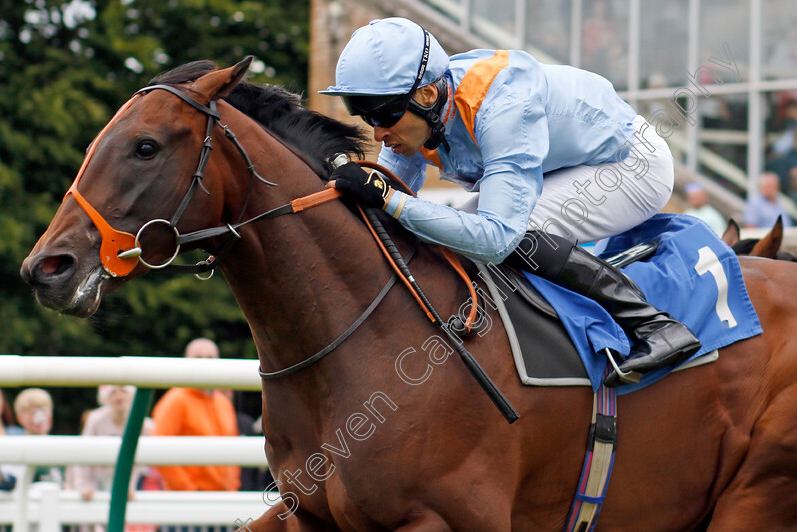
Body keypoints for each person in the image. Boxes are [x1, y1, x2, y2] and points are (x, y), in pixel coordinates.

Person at [320, 17, 701, 386]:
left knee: (509, 234)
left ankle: (654, 325)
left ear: (427, 95)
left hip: (628, 165)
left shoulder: (501, 105)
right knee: (443, 234)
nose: (378, 131)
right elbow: (390, 197)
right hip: (567, 163)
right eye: (365, 113)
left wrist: (389, 199)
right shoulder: (421, 107)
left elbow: (495, 237)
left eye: (384, 113)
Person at [152, 338, 240, 492]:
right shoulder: (175, 400)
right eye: (198, 357)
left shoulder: (223, 403)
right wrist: (187, 490)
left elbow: (234, 450)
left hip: (224, 498)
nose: (204, 362)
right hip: (188, 500)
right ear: (186, 361)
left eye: (210, 358)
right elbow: (159, 451)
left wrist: (232, 488)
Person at [66, 385, 152, 503]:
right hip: (98, 481)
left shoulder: (144, 424)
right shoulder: (95, 420)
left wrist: (130, 486)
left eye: (123, 391)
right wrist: (85, 485)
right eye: (112, 393)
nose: (118, 397)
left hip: (130, 484)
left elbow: (141, 464)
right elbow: (83, 456)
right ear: (105, 398)